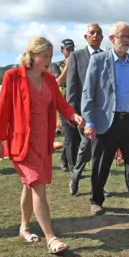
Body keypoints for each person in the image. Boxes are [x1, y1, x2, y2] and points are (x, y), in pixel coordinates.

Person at [0, 37, 85, 254]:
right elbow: (3, 110)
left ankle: (24, 227)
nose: (48, 60)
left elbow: (61, 104)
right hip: (22, 143)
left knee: (30, 184)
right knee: (38, 186)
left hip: (43, 142)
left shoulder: (50, 79)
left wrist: (73, 115)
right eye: (45, 56)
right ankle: (51, 237)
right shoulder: (13, 76)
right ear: (32, 55)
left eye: (51, 57)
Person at [81, 22, 129, 223]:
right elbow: (88, 92)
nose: (126, 40)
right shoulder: (98, 61)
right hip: (106, 121)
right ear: (111, 39)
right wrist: (89, 121)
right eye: (122, 36)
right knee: (101, 164)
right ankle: (96, 199)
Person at [66, 23, 105, 196]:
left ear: (102, 37)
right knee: (87, 145)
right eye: (92, 33)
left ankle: (97, 186)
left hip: (103, 112)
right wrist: (72, 115)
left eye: (98, 33)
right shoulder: (76, 56)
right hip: (83, 112)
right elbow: (71, 87)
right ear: (86, 37)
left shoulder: (106, 56)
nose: (95, 35)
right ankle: (75, 176)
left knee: (100, 148)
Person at [50, 38, 75, 172]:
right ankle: (70, 165)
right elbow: (58, 82)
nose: (70, 52)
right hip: (63, 104)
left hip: (76, 102)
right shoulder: (56, 65)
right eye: (68, 49)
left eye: (72, 49)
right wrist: (67, 66)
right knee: (69, 136)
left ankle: (66, 159)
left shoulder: (77, 62)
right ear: (62, 51)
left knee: (74, 137)